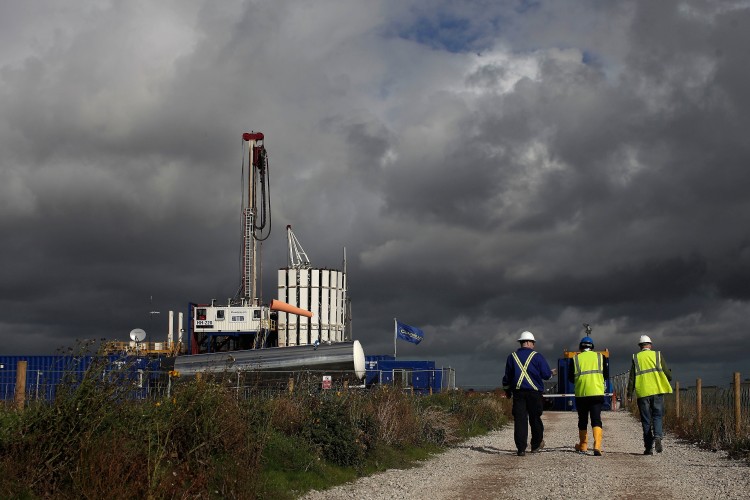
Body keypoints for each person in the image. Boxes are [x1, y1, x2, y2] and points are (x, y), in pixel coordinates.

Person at [502, 330, 556, 456]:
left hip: (518, 393)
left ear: (521, 343)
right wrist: (552, 373)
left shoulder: (512, 357)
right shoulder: (537, 356)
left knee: (520, 420)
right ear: (528, 342)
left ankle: (521, 449)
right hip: (534, 393)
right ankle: (536, 444)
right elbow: (546, 375)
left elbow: (507, 378)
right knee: (535, 418)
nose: (534, 345)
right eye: (533, 343)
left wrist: (507, 392)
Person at [626, 335, 673, 455]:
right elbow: (666, 372)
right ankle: (658, 436)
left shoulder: (636, 357)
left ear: (640, 346)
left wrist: (629, 393)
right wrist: (669, 378)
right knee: (657, 415)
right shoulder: (657, 355)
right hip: (656, 390)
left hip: (642, 393)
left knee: (646, 420)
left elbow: (632, 377)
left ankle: (648, 448)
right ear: (650, 345)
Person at [568, 336, 609, 456]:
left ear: (581, 347)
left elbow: (570, 378)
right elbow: (605, 375)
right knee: (596, 419)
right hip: (596, 393)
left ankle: (583, 445)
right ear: (592, 347)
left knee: (583, 420)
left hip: (582, 394)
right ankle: (597, 446)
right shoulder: (601, 357)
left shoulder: (575, 359)